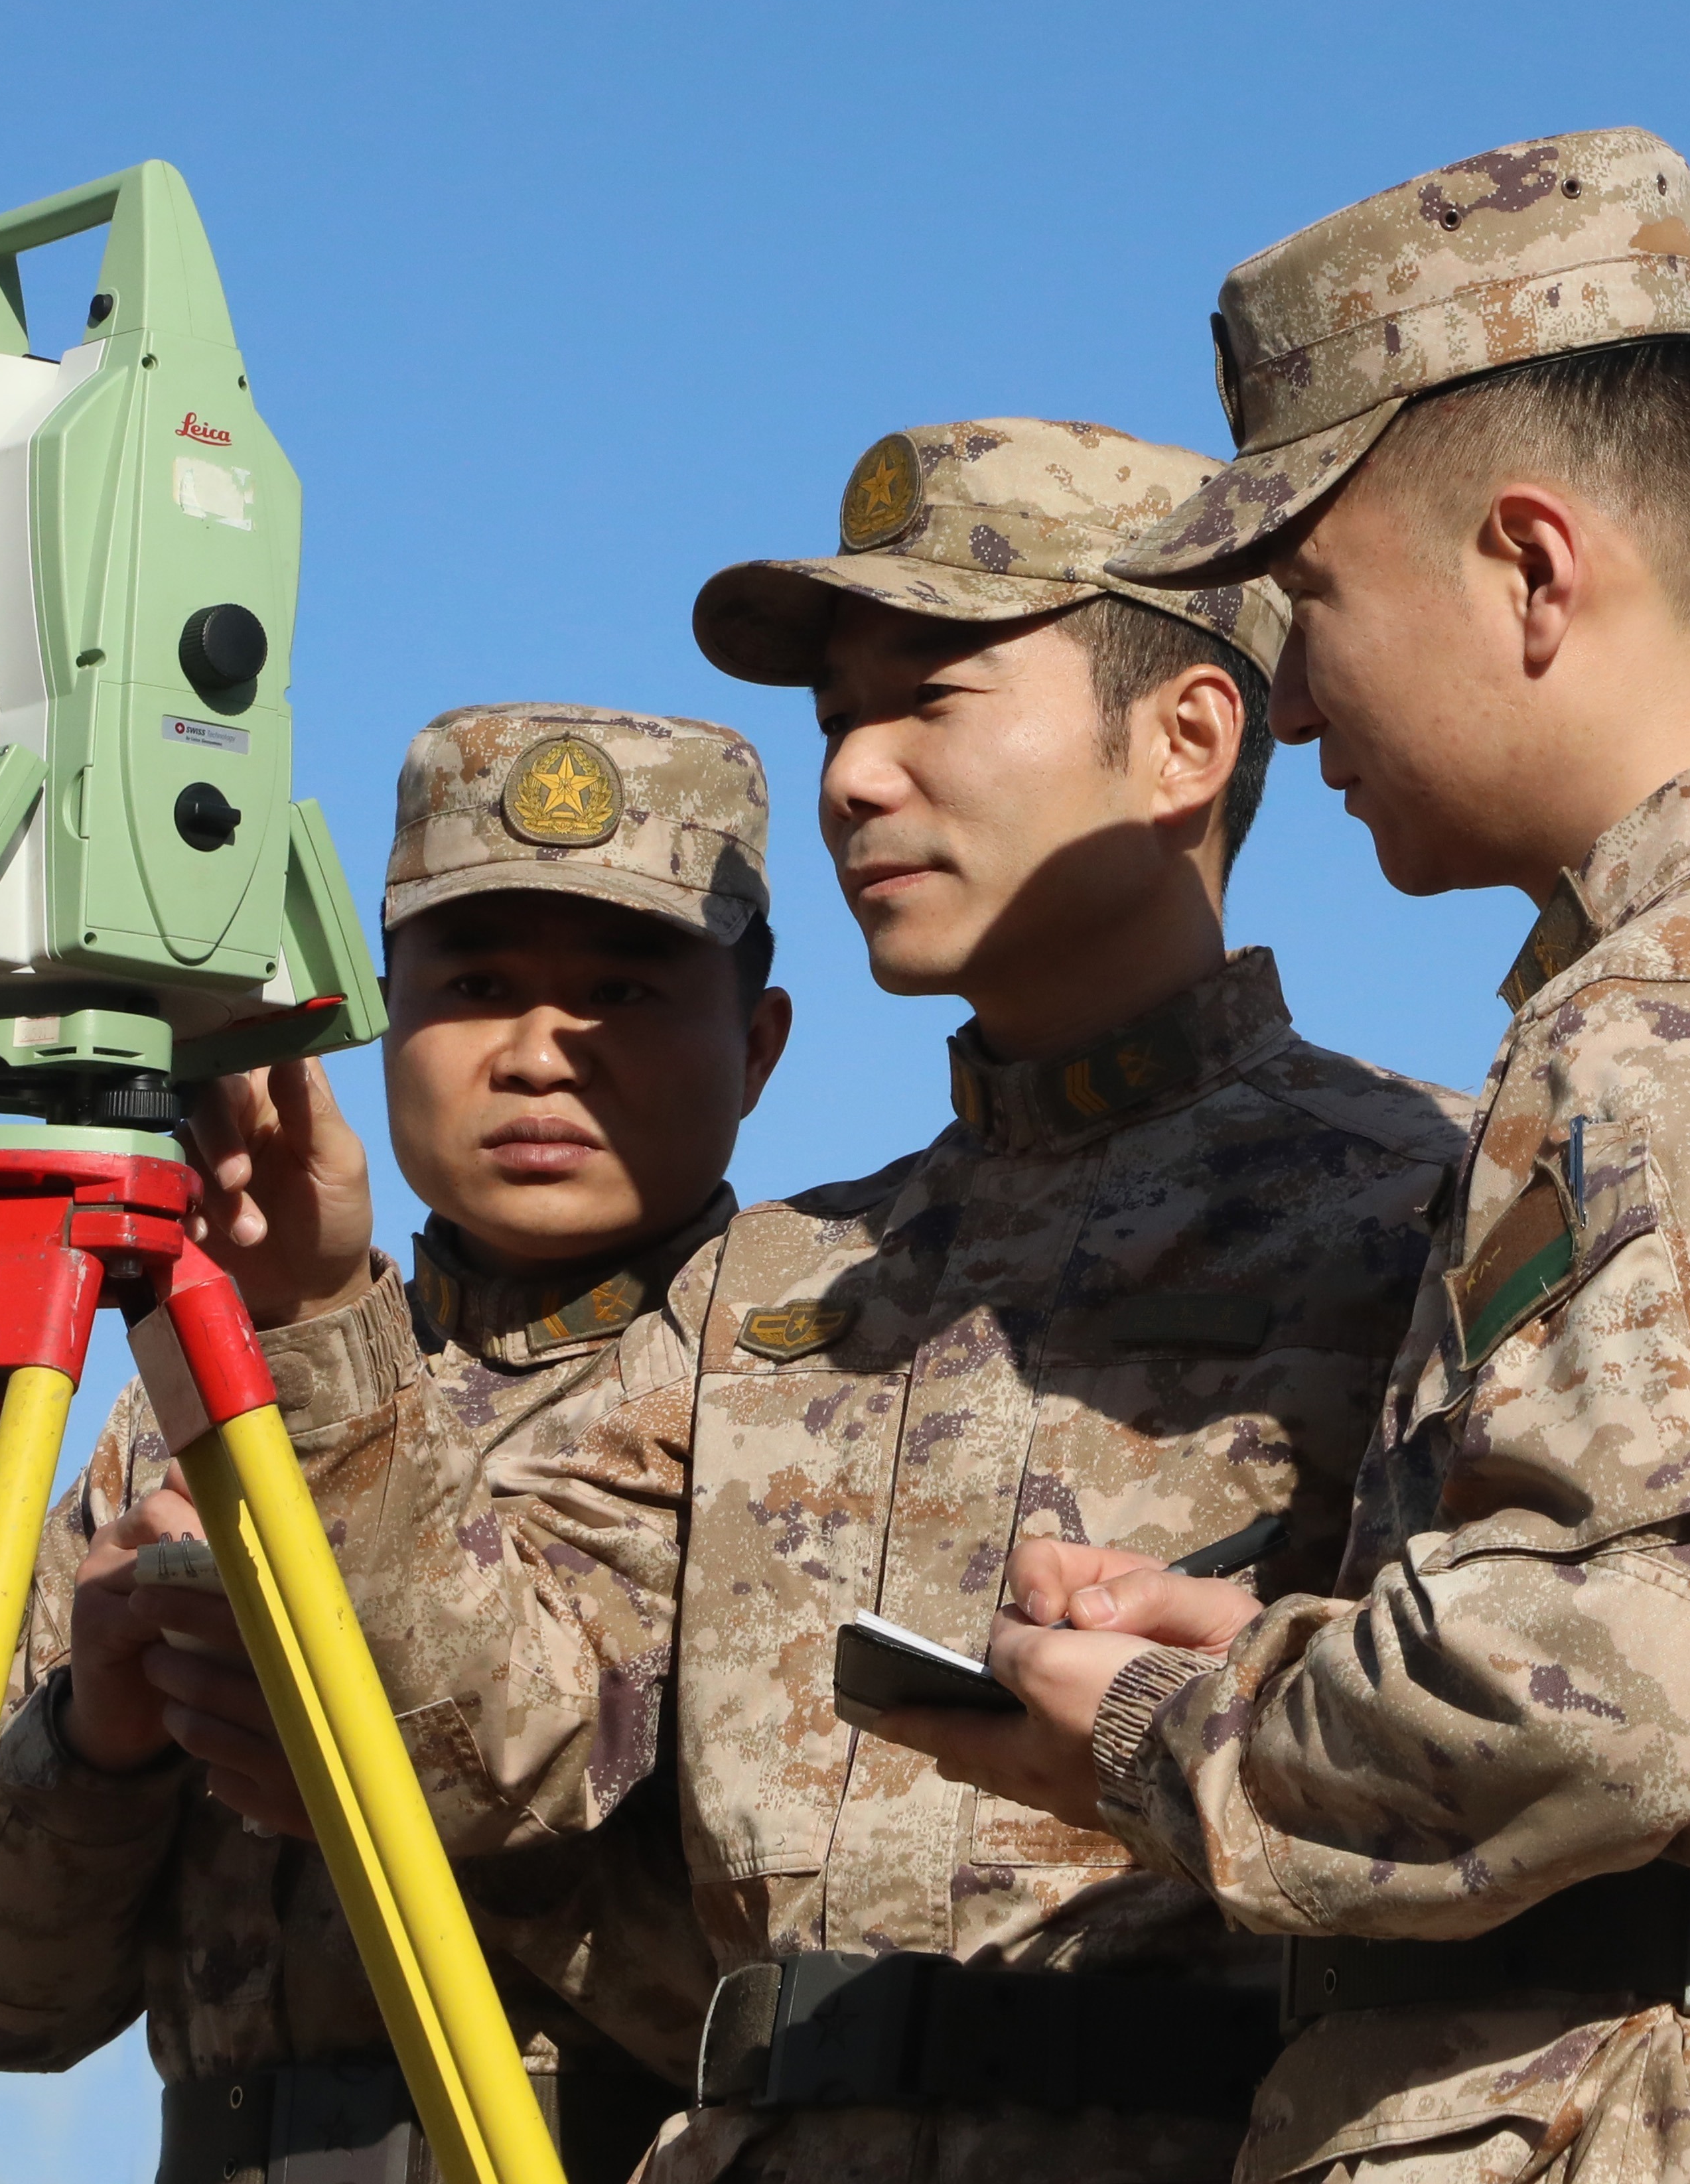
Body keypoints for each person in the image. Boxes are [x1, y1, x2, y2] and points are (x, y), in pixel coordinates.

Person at [875, 133, 1690, 2184]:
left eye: (1311, 604)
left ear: (1534, 568)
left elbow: (1631, 1707)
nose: (1293, 705)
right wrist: (1272, 1653)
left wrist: (1142, 1734)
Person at [218, 417, 1472, 2184]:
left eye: (931, 699)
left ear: (1186, 740)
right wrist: (316, 1321)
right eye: (835, 719)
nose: (855, 779)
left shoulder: (1431, 1201)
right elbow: (495, 1746)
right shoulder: (772, 1284)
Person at [0, 705, 794, 2184]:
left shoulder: (828, 1389)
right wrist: (100, 1738)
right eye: (476, 985)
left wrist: (366, 1780)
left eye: (623, 991)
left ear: (757, 1043)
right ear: (378, 1014)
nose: (540, 1055)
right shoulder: (189, 1410)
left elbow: (813, 1946)